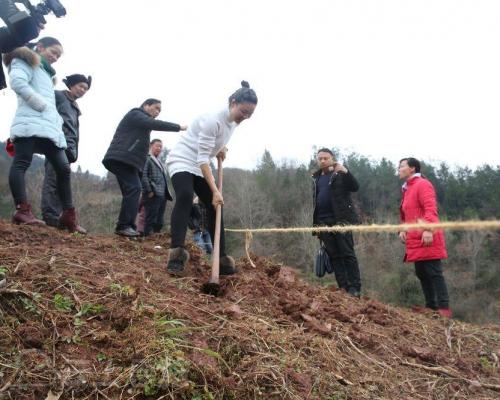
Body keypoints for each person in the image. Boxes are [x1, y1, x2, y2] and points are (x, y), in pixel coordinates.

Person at [166, 81, 258, 276]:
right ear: (233, 102)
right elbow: (201, 158)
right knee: (185, 195)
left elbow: (217, 140)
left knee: (215, 206)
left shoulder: (233, 121)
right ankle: (176, 255)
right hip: (183, 159)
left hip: (201, 164)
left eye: (250, 114)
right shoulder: (213, 119)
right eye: (244, 111)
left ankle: (222, 259)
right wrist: (215, 190)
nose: (246, 117)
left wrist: (221, 148)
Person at [4, 37, 82, 232]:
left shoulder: (47, 74)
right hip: (29, 122)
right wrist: (41, 106)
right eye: (53, 52)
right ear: (40, 47)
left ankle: (68, 214)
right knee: (22, 162)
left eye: (58, 55)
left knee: (63, 168)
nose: (55, 57)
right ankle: (22, 210)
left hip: (49, 127)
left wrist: (54, 118)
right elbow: (18, 83)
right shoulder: (24, 60)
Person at [102, 99, 187, 237]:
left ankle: (127, 226)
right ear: (145, 105)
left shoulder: (143, 124)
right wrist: (179, 127)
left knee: (131, 192)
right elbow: (153, 123)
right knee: (134, 188)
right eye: (156, 108)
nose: (158, 112)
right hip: (122, 159)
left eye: (160, 110)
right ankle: (124, 226)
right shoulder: (136, 114)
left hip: (129, 162)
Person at [398, 157, 451, 318]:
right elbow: (408, 214)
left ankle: (443, 310)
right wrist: (403, 229)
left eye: (402, 166)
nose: (398, 169)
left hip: (427, 237)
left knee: (434, 272)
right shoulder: (407, 188)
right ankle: (431, 308)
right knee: (421, 273)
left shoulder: (423, 184)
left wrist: (428, 229)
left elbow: (431, 209)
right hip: (414, 239)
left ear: (412, 168)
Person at [41, 73, 91, 233]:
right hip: (55, 144)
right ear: (71, 85)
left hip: (68, 149)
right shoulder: (59, 96)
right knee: (52, 181)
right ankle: (50, 217)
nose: (83, 90)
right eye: (80, 86)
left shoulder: (74, 106)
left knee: (62, 183)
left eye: (86, 88)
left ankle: (62, 218)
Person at [312, 148, 362, 297]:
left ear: (332, 158)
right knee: (334, 256)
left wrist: (346, 172)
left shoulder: (340, 173)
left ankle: (354, 288)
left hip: (341, 220)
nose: (322, 161)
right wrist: (317, 227)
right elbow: (314, 202)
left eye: (325, 158)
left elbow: (355, 187)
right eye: (320, 158)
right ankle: (343, 287)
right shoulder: (315, 178)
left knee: (347, 253)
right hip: (323, 221)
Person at [141, 139, 172, 236]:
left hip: (162, 194)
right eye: (157, 146)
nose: (159, 148)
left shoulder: (159, 161)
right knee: (150, 217)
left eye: (161, 147)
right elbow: (143, 175)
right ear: (151, 146)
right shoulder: (147, 158)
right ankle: (147, 238)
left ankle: (155, 237)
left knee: (159, 219)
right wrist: (149, 190)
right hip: (153, 193)